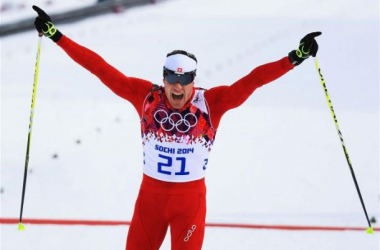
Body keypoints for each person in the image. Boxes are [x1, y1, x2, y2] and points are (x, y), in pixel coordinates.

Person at [32, 5, 321, 250]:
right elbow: (101, 69)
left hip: (190, 204)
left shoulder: (212, 103)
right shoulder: (146, 97)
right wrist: (57, 36)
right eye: (172, 78)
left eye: (184, 79)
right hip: (150, 201)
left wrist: (295, 57)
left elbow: (252, 81)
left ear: (194, 80)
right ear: (164, 78)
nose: (178, 86)